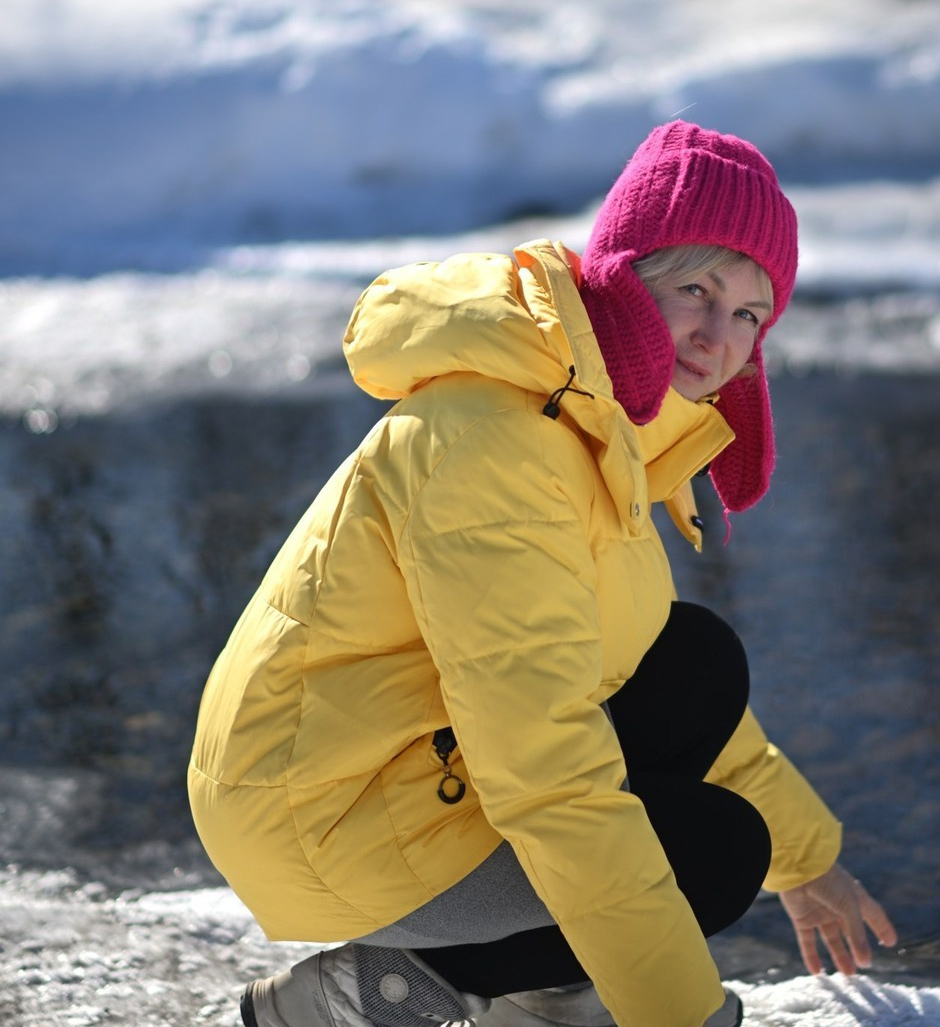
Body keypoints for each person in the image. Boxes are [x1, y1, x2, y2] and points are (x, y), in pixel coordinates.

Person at [188, 120, 896, 1027]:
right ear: (623, 272)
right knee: (710, 853)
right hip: (326, 814)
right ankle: (378, 992)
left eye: (750, 314)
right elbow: (546, 770)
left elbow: (621, 681)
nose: (719, 335)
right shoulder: (499, 441)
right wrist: (685, 1017)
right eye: (696, 289)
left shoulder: (593, 420)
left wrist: (811, 862)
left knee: (691, 662)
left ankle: (531, 991)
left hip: (388, 768)